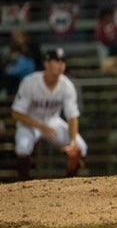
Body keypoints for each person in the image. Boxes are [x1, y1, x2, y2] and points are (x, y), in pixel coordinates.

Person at [10, 47, 88, 180]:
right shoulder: (30, 82)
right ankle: (24, 187)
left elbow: (73, 117)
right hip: (30, 122)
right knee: (23, 147)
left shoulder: (67, 85)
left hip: (52, 121)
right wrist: (40, 127)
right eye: (56, 61)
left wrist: (73, 142)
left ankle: (70, 184)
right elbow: (16, 113)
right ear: (46, 63)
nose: (60, 65)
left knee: (81, 147)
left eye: (63, 61)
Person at [4, 30, 39, 97]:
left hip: (28, 79)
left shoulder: (30, 51)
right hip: (19, 80)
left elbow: (11, 71)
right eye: (16, 37)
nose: (18, 39)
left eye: (19, 37)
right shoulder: (13, 51)